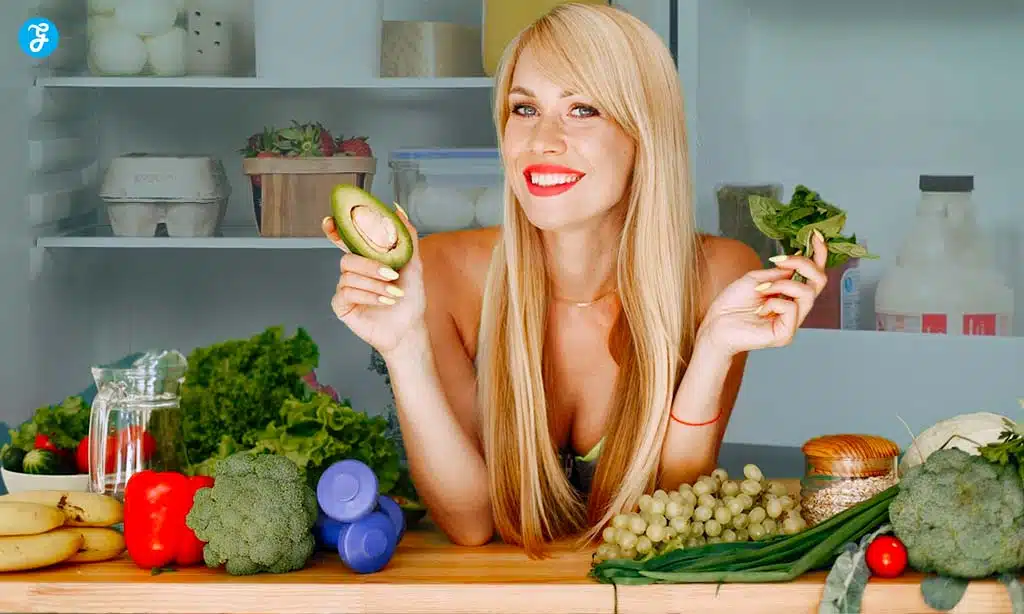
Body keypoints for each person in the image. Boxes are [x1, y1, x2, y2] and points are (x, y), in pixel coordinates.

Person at [322, 3, 828, 557]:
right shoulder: (442, 272)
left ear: (644, 136)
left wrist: (711, 352)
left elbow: (668, 515)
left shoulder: (718, 275)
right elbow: (471, 523)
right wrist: (404, 349)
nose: (543, 139)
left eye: (583, 109)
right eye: (524, 108)